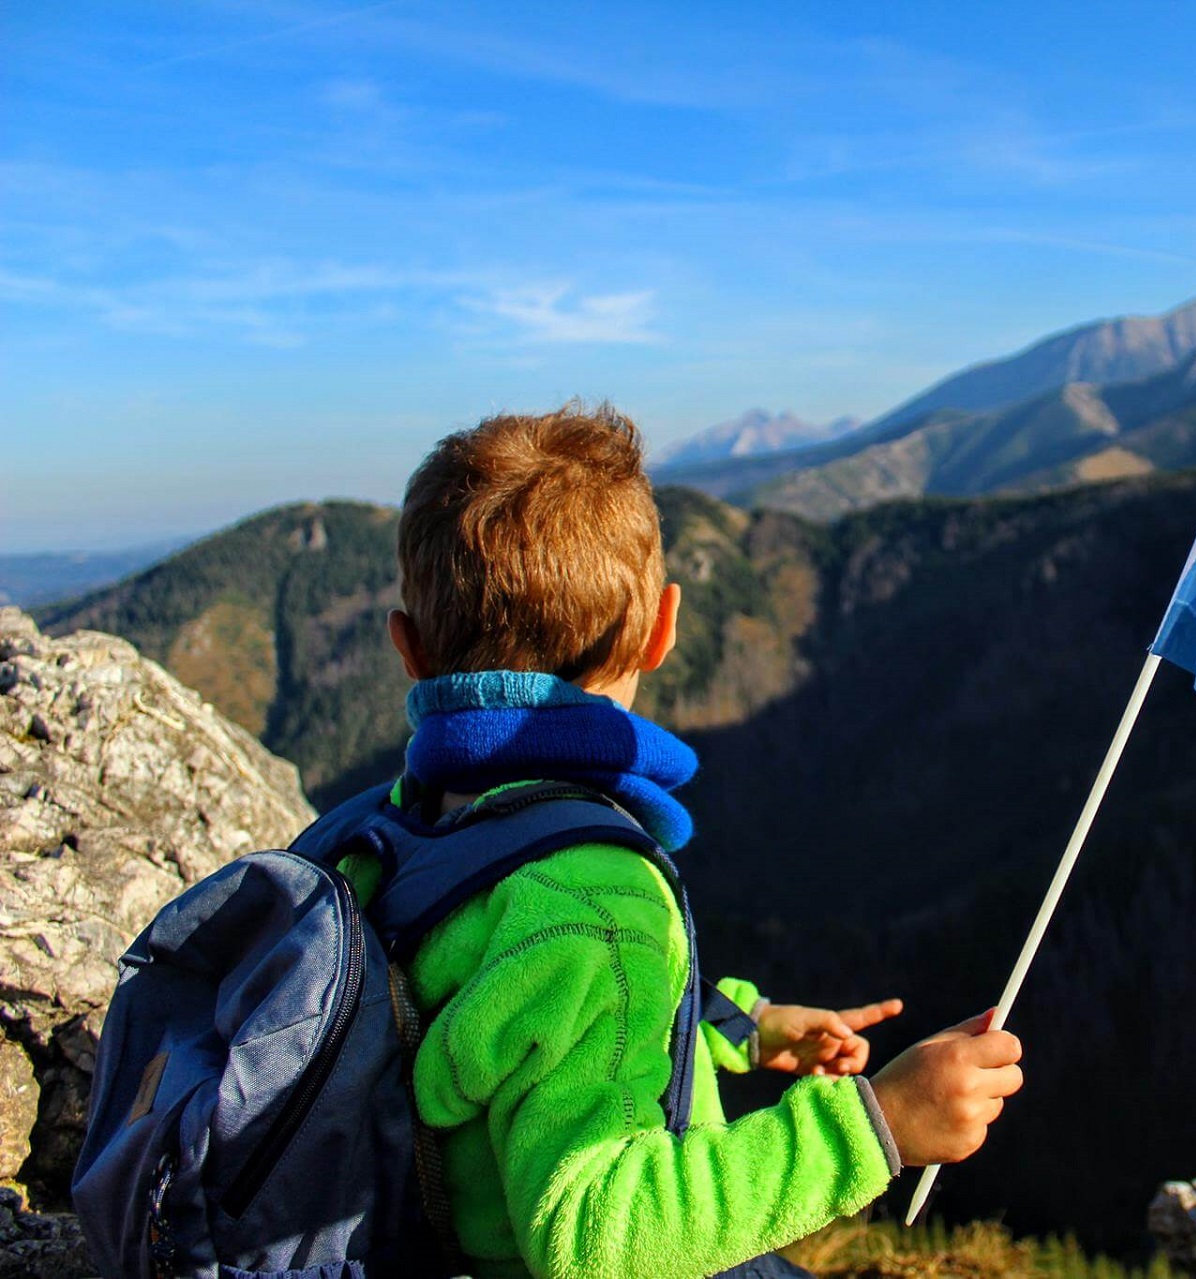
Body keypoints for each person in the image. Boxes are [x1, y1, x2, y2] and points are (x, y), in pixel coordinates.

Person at [352, 402, 1024, 1279]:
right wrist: (880, 1124)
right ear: (662, 630)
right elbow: (590, 1231)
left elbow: (519, 1013)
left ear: (407, 648)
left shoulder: (402, 828)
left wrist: (741, 1026)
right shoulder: (597, 901)